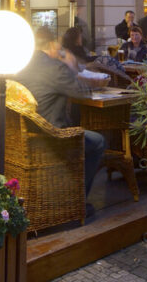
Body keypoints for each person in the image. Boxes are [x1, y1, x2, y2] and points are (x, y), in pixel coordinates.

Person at [16, 28, 105, 204]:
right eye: (58, 45)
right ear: (51, 45)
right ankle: (77, 199)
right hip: (51, 135)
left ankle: (64, 189)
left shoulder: (21, 64)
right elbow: (83, 93)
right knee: (98, 141)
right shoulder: (55, 67)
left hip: (24, 130)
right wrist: (71, 66)